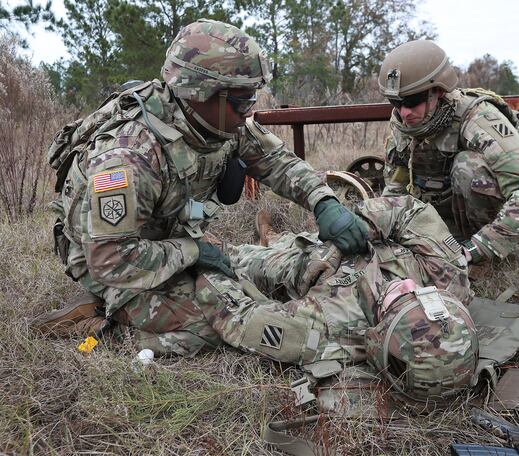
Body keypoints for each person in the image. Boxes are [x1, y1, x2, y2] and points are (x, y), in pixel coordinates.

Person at [35, 19, 369, 343]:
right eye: (243, 101)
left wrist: (323, 201)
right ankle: (101, 322)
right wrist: (192, 251)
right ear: (201, 92)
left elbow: (275, 161)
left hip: (174, 242)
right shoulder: (128, 156)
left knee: (274, 268)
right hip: (116, 264)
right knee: (221, 326)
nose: (248, 112)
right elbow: (111, 258)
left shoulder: (218, 123)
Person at [35, 194, 478, 403]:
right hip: (313, 249)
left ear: (379, 337)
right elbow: (411, 209)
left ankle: (110, 306)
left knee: (205, 319)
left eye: (396, 303)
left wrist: (201, 259)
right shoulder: (448, 273)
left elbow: (238, 318)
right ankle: (272, 239)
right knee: (274, 250)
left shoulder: (331, 332)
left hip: (282, 276)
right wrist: (348, 237)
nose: (402, 288)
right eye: (415, 293)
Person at [378, 40, 519, 264]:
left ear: (439, 91)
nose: (404, 112)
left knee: (467, 166)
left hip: (485, 215)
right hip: (443, 206)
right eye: (395, 102)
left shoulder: (477, 117)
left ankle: (478, 249)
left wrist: (474, 249)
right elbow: (396, 185)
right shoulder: (403, 123)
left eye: (413, 101)